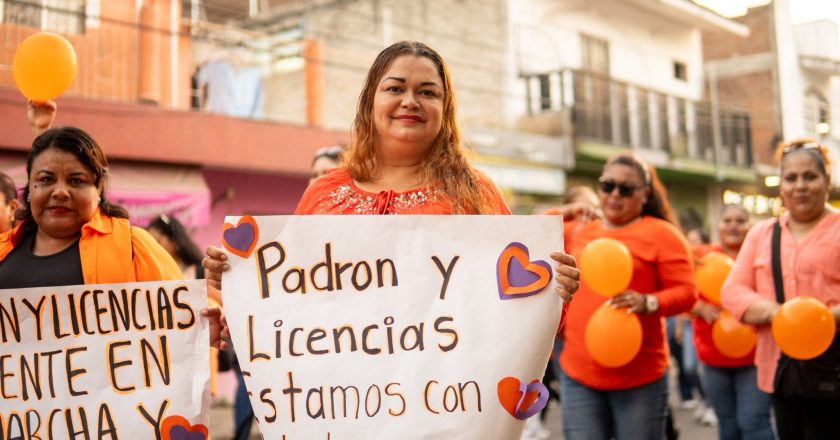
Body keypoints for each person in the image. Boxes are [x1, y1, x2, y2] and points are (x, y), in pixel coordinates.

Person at [205, 40, 580, 297]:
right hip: (340, 398)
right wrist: (234, 284)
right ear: (371, 102)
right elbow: (286, 293)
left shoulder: (475, 193)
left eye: (428, 92)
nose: (410, 101)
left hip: (449, 399)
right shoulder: (323, 193)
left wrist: (553, 289)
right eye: (395, 88)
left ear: (444, 109)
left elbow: (515, 303)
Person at [0, 126, 226, 345]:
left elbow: (181, 322)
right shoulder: (3, 251)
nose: (60, 191)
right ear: (30, 187)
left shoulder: (133, 248)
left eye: (76, 180)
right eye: (46, 179)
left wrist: (203, 327)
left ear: (98, 188)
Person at [558, 152, 697, 440]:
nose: (614, 194)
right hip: (579, 373)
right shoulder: (581, 228)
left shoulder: (663, 234)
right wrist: (568, 209)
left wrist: (649, 302)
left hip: (640, 378)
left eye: (626, 188)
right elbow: (528, 233)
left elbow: (687, 294)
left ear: (645, 194)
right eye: (607, 185)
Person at [722, 139, 840, 439]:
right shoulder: (762, 233)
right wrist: (782, 314)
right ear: (782, 185)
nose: (800, 185)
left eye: (810, 177)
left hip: (834, 366)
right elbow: (733, 290)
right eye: (791, 178)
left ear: (827, 181)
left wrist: (821, 319)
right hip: (781, 368)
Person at [692, 204, 773, 439]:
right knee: (727, 425)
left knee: (753, 421)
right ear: (718, 225)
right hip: (713, 357)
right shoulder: (701, 257)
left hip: (754, 357)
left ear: (750, 226)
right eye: (727, 220)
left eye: (740, 221)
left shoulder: (762, 256)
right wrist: (701, 308)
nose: (733, 226)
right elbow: (683, 294)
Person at [148, 214, 206, 279]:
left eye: (157, 242)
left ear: (174, 242)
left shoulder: (199, 272)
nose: (152, 248)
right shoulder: (152, 275)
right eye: (149, 243)